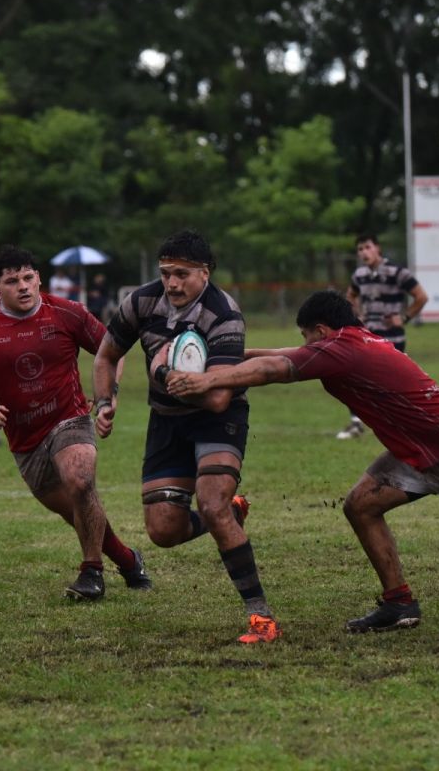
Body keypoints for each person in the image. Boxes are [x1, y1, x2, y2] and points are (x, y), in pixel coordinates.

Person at [165, 290, 439, 634]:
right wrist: (225, 356)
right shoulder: (349, 340)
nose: (304, 345)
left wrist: (206, 378)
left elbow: (274, 370)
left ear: (320, 331)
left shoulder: (343, 349)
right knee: (361, 504)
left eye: (306, 337)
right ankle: (399, 602)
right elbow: (281, 355)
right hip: (415, 451)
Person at [91, 229, 280, 644]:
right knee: (163, 532)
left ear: (205, 274)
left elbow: (217, 398)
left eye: (182, 274)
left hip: (218, 418)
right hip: (166, 421)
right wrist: (104, 401)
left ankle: (261, 619)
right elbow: (106, 354)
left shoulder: (224, 315)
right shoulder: (141, 301)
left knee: (211, 506)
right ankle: (232, 511)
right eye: (165, 273)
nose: (172, 283)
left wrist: (160, 370)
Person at [0, 246, 151, 599]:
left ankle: (91, 573)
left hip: (68, 417)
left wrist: (107, 397)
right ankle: (128, 559)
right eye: (13, 281)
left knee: (80, 479)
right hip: (24, 438)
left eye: (29, 278)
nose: (23, 287)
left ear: (39, 278)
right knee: (76, 509)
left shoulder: (67, 312)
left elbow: (112, 351)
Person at [338, 234, 429, 440]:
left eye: (367, 247)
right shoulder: (360, 275)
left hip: (392, 338)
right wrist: (355, 315)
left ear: (377, 248)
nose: (364, 253)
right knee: (355, 377)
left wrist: (404, 317)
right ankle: (356, 423)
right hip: (367, 335)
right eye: (360, 249)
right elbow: (350, 295)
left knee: (393, 380)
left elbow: (421, 296)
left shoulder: (396, 272)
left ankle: (405, 421)